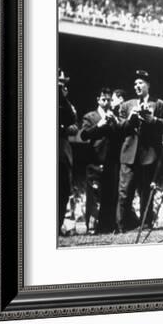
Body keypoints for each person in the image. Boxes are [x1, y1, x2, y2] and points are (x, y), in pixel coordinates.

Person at [116, 70, 163, 232]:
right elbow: (119, 128)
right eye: (135, 84)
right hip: (129, 154)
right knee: (125, 192)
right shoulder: (126, 105)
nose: (137, 86)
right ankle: (121, 225)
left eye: (141, 83)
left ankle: (146, 224)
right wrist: (131, 118)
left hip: (148, 155)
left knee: (146, 192)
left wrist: (153, 120)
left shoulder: (158, 104)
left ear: (148, 85)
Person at [79, 87, 122, 233]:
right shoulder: (90, 117)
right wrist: (100, 124)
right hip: (94, 161)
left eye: (109, 100)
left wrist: (114, 121)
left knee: (110, 195)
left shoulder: (114, 116)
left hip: (111, 162)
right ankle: (92, 227)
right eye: (104, 99)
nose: (107, 102)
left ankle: (107, 226)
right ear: (98, 100)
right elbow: (84, 135)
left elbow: (119, 136)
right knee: (94, 196)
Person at [58, 70, 79, 234]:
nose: (61, 84)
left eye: (63, 82)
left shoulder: (66, 102)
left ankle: (57, 226)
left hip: (62, 148)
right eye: (59, 81)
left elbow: (73, 122)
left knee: (64, 188)